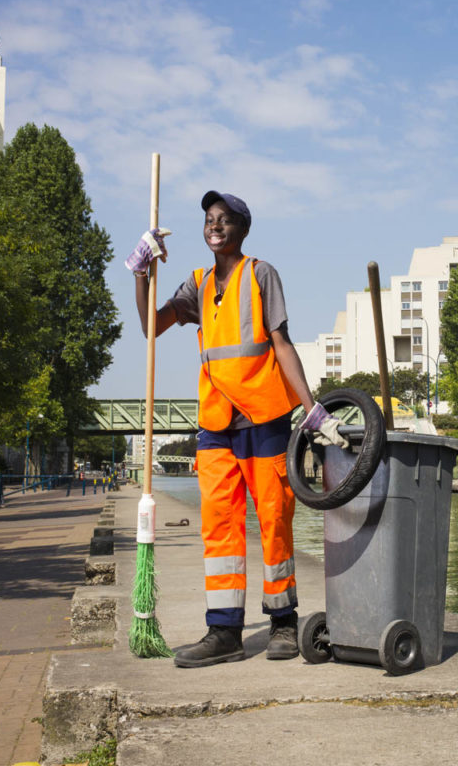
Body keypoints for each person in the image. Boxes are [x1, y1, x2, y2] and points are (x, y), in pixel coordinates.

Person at [128, 190, 346, 668]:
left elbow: (281, 344)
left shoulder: (260, 274)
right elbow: (151, 326)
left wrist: (310, 409)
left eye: (225, 219)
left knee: (274, 519)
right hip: (216, 424)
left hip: (265, 417)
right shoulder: (197, 285)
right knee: (220, 527)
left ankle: (283, 623)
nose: (215, 225)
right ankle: (224, 631)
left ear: (243, 229)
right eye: (209, 219)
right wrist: (140, 274)